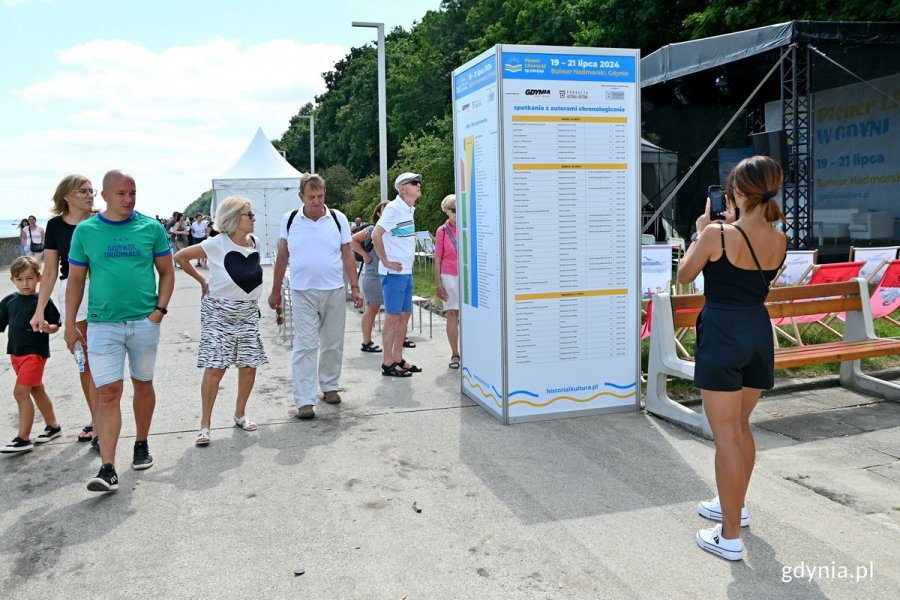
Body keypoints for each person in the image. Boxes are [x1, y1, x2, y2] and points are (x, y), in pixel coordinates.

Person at [676, 155, 787, 561]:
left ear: (738, 191)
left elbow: (685, 276)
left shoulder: (717, 234)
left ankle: (729, 537)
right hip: (758, 332)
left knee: (725, 434)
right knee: (740, 426)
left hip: (722, 333)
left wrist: (702, 232)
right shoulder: (780, 239)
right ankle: (733, 508)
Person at [65, 169, 175, 493]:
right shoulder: (86, 231)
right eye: (121, 194)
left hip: (143, 322)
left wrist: (159, 312)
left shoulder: (151, 228)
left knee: (143, 385)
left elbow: (167, 273)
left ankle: (141, 443)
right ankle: (108, 468)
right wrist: (70, 325)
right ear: (105, 196)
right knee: (109, 391)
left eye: (133, 193)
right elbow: (74, 281)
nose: (128, 200)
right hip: (102, 324)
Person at [267, 173, 363, 420]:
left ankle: (330, 386)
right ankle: (304, 400)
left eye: (320, 196)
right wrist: (275, 290)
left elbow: (347, 254)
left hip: (333, 290)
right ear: (301, 196)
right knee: (305, 345)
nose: (317, 201)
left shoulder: (337, 218)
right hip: (302, 292)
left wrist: (355, 286)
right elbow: (282, 257)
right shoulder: (290, 220)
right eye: (312, 197)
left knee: (333, 342)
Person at [175, 197, 267, 446]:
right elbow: (181, 257)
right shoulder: (217, 243)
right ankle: (205, 425)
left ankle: (240, 413)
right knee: (216, 368)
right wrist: (202, 280)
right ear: (235, 218)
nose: (254, 218)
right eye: (249, 214)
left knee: (249, 365)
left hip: (247, 312)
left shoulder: (255, 242)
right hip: (219, 313)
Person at [30, 174, 99, 444]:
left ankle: (103, 419)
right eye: (83, 191)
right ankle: (96, 419)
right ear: (66, 196)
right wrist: (39, 311)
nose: (89, 195)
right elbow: (49, 272)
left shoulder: (102, 220)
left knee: (102, 358)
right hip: (73, 293)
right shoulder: (55, 226)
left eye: (91, 190)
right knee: (85, 362)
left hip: (105, 290)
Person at [0, 257, 62, 454]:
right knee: (36, 389)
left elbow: (55, 326)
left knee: (20, 392)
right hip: (16, 354)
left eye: (29, 278)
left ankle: (23, 438)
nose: (25, 283)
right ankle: (53, 426)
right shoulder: (8, 301)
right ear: (12, 280)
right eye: (19, 279)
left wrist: (47, 327)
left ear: (39, 277)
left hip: (35, 354)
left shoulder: (42, 302)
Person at [373, 172, 423, 377]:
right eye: (414, 182)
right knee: (392, 317)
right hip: (393, 274)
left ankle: (397, 357)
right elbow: (376, 234)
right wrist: (385, 261)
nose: (418, 184)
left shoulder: (409, 209)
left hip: (405, 272)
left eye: (418, 181)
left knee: (404, 315)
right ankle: (388, 362)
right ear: (403, 189)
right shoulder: (394, 208)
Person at [350, 201, 388, 354]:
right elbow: (352, 240)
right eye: (385, 209)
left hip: (391, 274)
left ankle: (397, 339)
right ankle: (367, 341)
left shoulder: (395, 230)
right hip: (374, 275)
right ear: (378, 213)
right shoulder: (372, 229)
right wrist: (365, 255)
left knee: (396, 311)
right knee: (372, 309)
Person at [434, 194, 460, 369]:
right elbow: (437, 259)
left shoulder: (470, 227)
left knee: (471, 316)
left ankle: (474, 352)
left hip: (468, 276)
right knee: (452, 314)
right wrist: (438, 284)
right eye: (454, 210)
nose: (458, 213)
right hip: (449, 276)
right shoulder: (442, 231)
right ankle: (455, 353)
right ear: (446, 211)